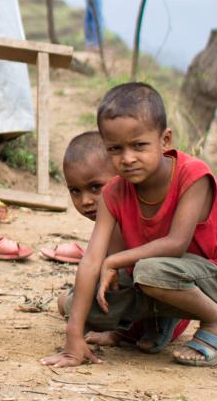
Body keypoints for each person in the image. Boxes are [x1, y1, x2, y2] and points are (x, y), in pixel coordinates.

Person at [42, 82, 217, 369]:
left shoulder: (193, 175)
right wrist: (73, 337)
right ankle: (158, 321)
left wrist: (114, 260)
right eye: (115, 149)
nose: (127, 158)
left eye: (139, 145)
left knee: (148, 271)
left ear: (165, 140)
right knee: (79, 302)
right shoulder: (113, 192)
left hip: (208, 278)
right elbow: (91, 261)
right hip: (154, 278)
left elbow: (176, 244)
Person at [53, 130, 190, 350]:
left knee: (68, 303)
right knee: (69, 302)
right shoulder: (109, 221)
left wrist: (114, 331)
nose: (85, 200)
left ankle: (151, 326)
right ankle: (134, 328)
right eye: (75, 191)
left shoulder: (135, 215)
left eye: (96, 187)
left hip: (170, 301)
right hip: (136, 300)